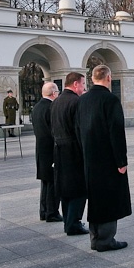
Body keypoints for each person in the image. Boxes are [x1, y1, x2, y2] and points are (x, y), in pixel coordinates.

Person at [76, 64, 131, 252]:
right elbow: (116, 133)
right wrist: (121, 161)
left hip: (89, 157)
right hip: (107, 159)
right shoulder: (111, 100)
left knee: (95, 198)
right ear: (108, 78)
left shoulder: (82, 100)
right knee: (109, 197)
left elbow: (77, 129)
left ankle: (95, 237)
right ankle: (106, 239)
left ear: (92, 78)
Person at [50, 72, 89, 236]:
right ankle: (74, 223)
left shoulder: (56, 102)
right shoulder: (77, 102)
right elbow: (80, 129)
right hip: (73, 149)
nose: (84, 88)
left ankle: (68, 221)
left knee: (65, 188)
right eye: (83, 84)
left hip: (59, 148)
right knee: (79, 188)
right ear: (75, 84)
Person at [31, 81, 62, 222]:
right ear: (54, 93)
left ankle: (43, 211)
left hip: (41, 149)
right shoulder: (52, 107)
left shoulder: (37, 107)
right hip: (51, 149)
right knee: (53, 182)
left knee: (45, 181)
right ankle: (52, 212)